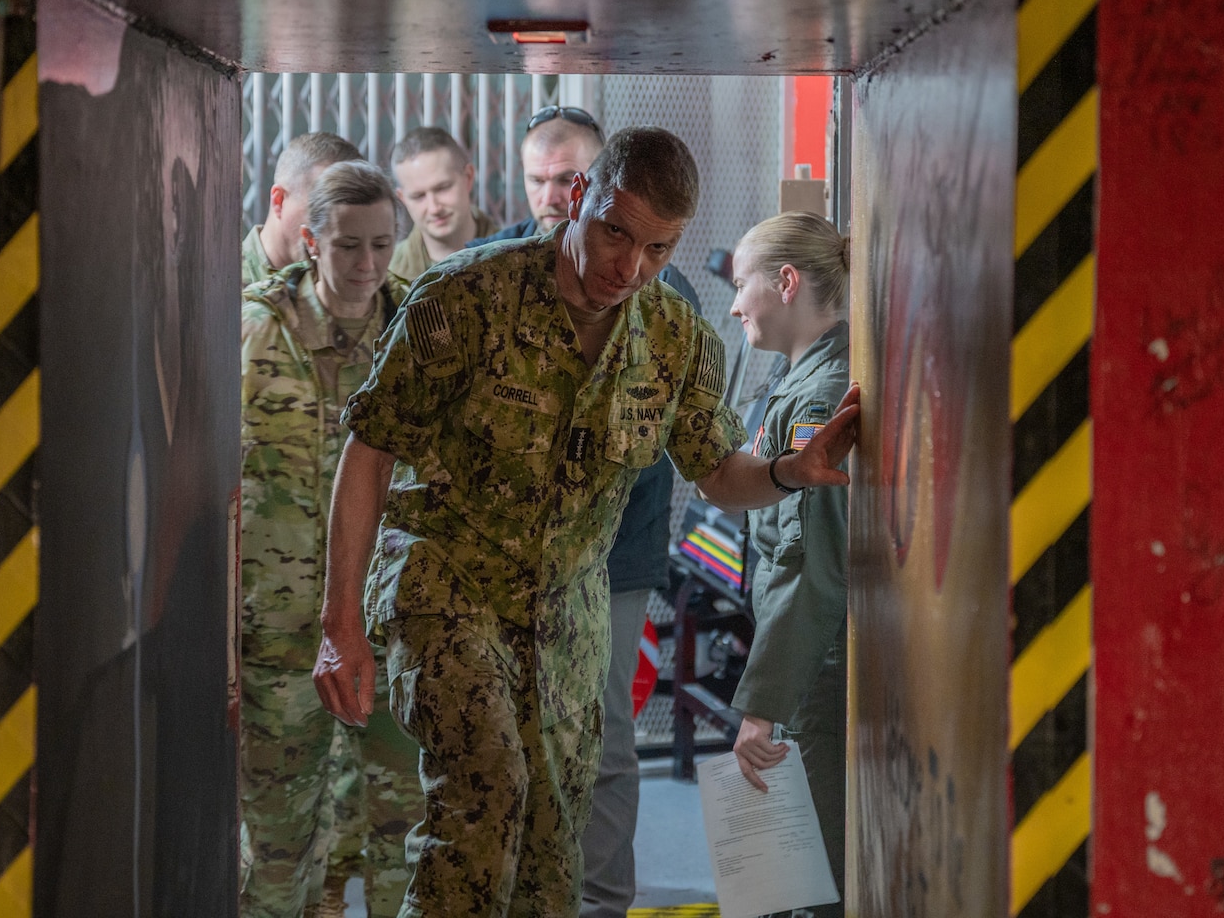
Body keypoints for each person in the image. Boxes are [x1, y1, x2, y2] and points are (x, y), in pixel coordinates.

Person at [313, 127, 862, 918]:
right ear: (577, 199)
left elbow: (714, 472)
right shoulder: (466, 297)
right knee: (486, 791)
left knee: (550, 853)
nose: (628, 267)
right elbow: (369, 450)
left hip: (567, 618)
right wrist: (340, 621)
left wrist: (786, 473)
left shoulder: (674, 340)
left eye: (657, 249)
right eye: (614, 231)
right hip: (448, 586)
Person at [472, 104, 703, 918]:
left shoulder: (665, 305)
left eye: (567, 177)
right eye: (539, 178)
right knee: (493, 745)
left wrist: (786, 470)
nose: (551, 193)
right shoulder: (482, 279)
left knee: (600, 740)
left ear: (599, 180)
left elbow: (704, 452)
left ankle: (598, 907)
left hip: (612, 561)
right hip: (494, 569)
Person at [239, 161, 424, 918]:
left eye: (383, 245)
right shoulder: (256, 329)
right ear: (310, 241)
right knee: (278, 837)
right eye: (349, 246)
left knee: (404, 829)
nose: (369, 266)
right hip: (278, 627)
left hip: (388, 624)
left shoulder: (418, 329)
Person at [726, 212, 854, 918]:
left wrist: (763, 706)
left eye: (742, 283)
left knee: (811, 884)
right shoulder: (799, 380)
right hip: (805, 664)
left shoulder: (814, 399)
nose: (736, 303)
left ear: (785, 281)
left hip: (811, 671)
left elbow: (811, 568)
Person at [472, 105, 604, 245]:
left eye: (567, 180)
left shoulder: (627, 255)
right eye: (537, 181)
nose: (549, 199)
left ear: (602, 177)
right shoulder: (485, 257)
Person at [242, 131, 361, 286]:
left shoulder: (358, 283)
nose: (338, 227)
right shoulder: (221, 283)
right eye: (323, 210)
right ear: (279, 201)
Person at [387, 127, 499, 282]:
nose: (434, 208)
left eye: (442, 188)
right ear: (402, 198)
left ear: (468, 177)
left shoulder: (518, 256)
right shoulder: (387, 274)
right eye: (418, 196)